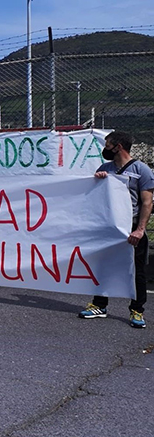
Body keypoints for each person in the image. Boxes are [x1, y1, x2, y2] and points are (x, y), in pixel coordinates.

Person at [79, 131, 154, 328]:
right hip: (108, 227)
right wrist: (98, 180)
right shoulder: (105, 168)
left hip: (131, 227)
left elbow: (147, 202)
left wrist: (139, 230)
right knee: (103, 266)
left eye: (108, 145)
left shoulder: (141, 170)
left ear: (118, 146)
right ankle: (99, 305)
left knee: (136, 270)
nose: (106, 149)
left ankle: (137, 311)